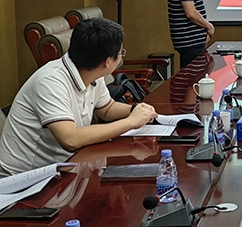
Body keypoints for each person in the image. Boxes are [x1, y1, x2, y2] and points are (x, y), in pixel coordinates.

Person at [0, 18, 157, 177]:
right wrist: (131, 122)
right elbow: (70, 139)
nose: (121, 57)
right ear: (108, 61)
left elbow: (107, 109)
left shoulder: (92, 72)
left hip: (64, 167)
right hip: (26, 179)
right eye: (121, 53)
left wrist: (135, 109)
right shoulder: (50, 81)